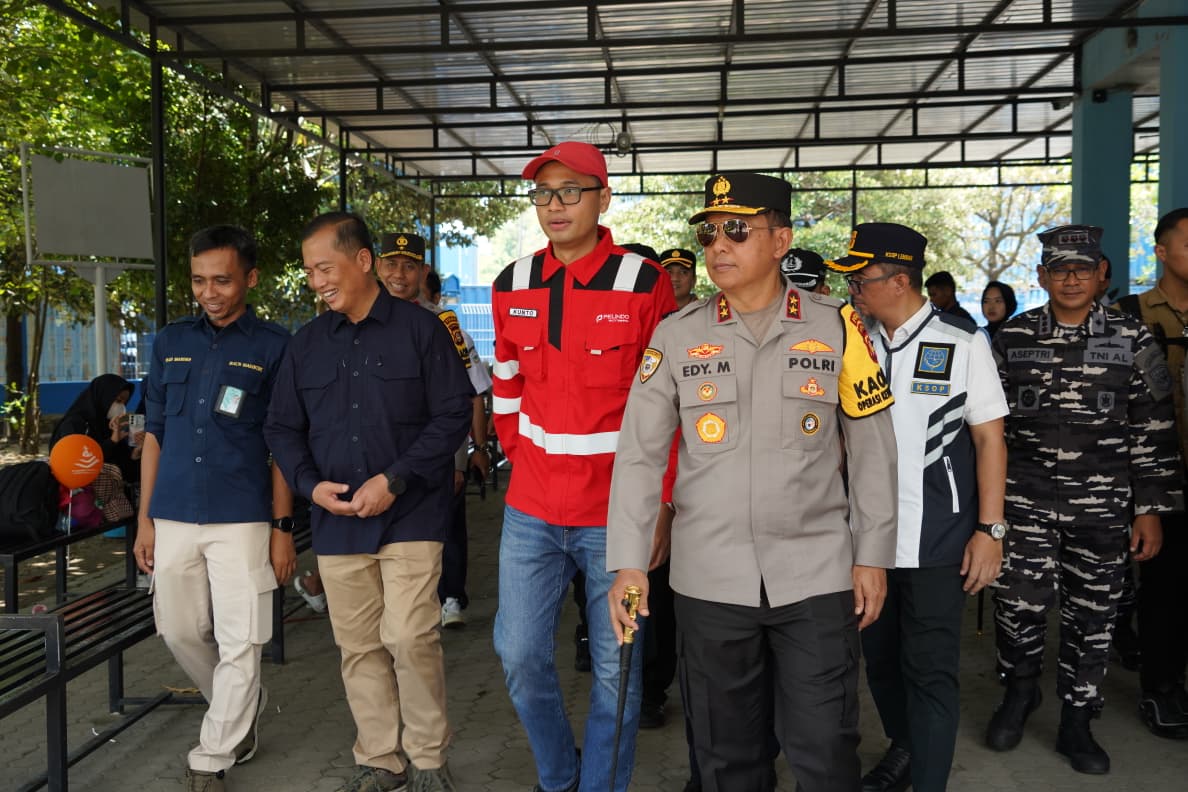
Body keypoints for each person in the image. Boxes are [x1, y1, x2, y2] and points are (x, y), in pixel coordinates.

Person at [607, 172, 899, 792]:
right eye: (709, 233)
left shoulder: (838, 327)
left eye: (736, 231)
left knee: (826, 751)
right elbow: (639, 455)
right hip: (709, 580)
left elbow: (873, 451)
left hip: (815, 575)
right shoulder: (677, 334)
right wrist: (629, 564)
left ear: (780, 240)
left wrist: (872, 555)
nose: (719, 245)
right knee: (725, 757)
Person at [490, 141, 676, 792]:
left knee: (616, 669)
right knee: (518, 654)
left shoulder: (644, 283)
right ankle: (558, 778)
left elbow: (668, 405)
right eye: (543, 193)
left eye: (571, 190)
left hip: (616, 521)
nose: (555, 205)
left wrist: (662, 504)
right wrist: (523, 461)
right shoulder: (511, 284)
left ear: (603, 198)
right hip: (532, 511)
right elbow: (506, 389)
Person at [264, 212, 473, 792]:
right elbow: (280, 427)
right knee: (358, 646)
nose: (317, 282)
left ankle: (428, 759)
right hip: (337, 521)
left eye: (324, 268)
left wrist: (395, 479)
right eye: (309, 272)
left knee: (408, 637)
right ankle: (381, 760)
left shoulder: (422, 330)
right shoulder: (306, 344)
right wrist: (309, 486)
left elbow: (453, 415)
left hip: (411, 513)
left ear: (362, 261)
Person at [986, 224, 1181, 774]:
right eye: (1060, 270)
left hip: (1103, 507)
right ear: (1042, 276)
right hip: (1023, 503)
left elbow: (1153, 427)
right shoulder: (1012, 337)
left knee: (1093, 614)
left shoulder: (1131, 337)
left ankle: (1077, 717)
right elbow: (987, 427)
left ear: (1100, 275)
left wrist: (1150, 510)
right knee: (1017, 605)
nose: (1071, 279)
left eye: (1082, 269)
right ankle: (1020, 691)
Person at [826, 222, 1009, 792]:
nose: (853, 291)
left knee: (929, 671)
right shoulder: (854, 340)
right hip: (866, 543)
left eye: (860, 280)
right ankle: (905, 748)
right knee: (880, 664)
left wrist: (990, 530)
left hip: (938, 541)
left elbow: (989, 439)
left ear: (899, 280)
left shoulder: (962, 342)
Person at [132, 225, 296, 792]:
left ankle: (213, 754)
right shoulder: (169, 341)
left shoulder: (275, 346)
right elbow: (154, 434)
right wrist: (144, 519)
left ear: (250, 278)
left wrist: (282, 527)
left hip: (243, 514)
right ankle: (240, 706)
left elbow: (283, 444)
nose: (209, 292)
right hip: (173, 510)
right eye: (199, 280)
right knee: (178, 629)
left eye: (222, 280)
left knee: (241, 636)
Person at [375, 230, 492, 628]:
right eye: (391, 264)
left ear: (423, 272)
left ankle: (447, 599)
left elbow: (466, 395)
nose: (399, 274)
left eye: (409, 266)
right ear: (377, 266)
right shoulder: (354, 320)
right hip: (375, 458)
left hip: (430, 458)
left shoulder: (443, 324)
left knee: (439, 536)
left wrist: (464, 457)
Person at [1113, 207, 1188, 738]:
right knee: (1166, 586)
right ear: (1161, 252)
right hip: (1160, 478)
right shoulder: (1129, 315)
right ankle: (1162, 689)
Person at [50, 373, 143, 481]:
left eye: (125, 403)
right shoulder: (74, 424)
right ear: (103, 396)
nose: (122, 407)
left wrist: (135, 455)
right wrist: (112, 442)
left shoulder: (112, 428)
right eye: (118, 400)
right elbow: (77, 465)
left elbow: (127, 474)